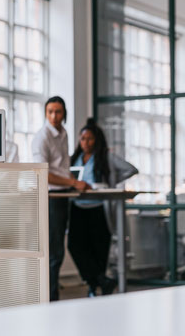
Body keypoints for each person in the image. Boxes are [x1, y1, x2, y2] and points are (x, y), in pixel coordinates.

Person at [67, 119, 137, 297]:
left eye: (90, 139)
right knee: (75, 246)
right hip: (78, 208)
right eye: (83, 138)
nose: (86, 142)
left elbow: (131, 169)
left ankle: (93, 287)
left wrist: (111, 181)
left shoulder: (106, 156)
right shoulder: (74, 158)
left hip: (98, 208)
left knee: (99, 249)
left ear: (96, 140)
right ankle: (101, 280)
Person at [30, 96, 89, 301]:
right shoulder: (42, 137)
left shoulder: (62, 134)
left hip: (62, 196)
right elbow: (43, 173)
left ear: (64, 114)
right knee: (53, 253)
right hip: (51, 197)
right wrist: (73, 183)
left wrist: (76, 182)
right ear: (45, 113)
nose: (54, 116)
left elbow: (62, 169)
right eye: (50, 112)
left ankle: (52, 297)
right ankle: (50, 300)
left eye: (58, 112)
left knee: (58, 252)